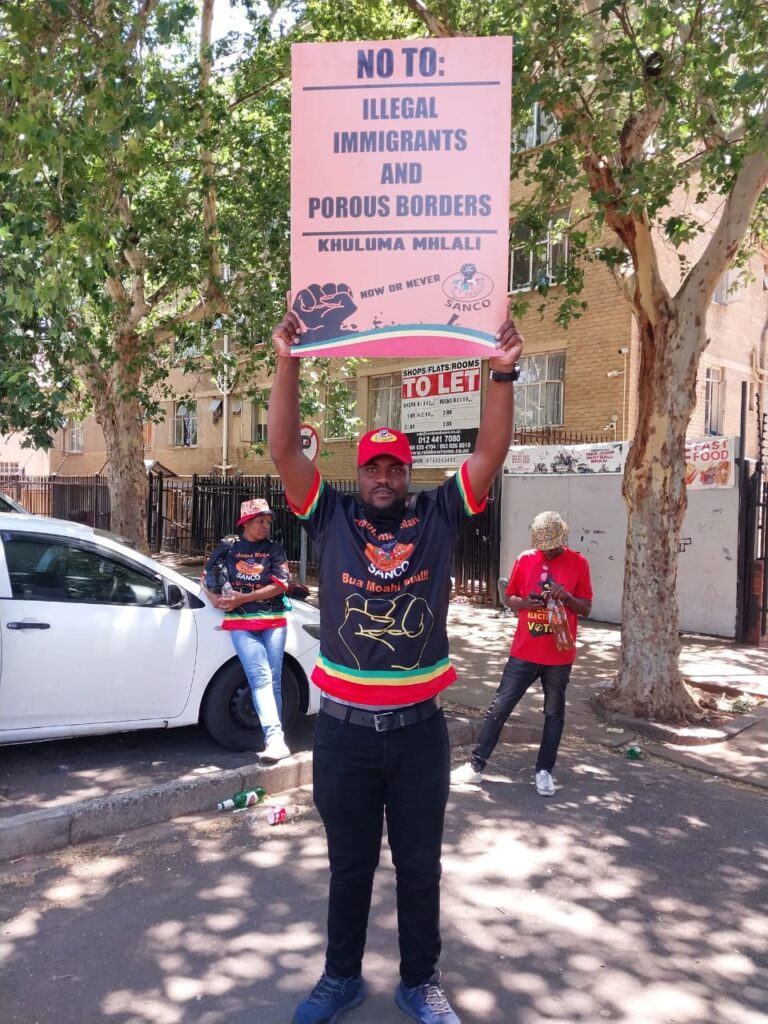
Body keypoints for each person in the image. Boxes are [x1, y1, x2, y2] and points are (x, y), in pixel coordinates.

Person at [269, 307, 523, 1024]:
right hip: (344, 737)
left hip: (418, 737)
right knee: (349, 867)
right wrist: (287, 357)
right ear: (361, 472)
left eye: (395, 466)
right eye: (373, 464)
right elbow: (285, 447)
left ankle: (421, 980)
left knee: (420, 869)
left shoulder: (440, 515)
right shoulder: (331, 516)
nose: (383, 475)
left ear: (408, 474)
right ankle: (340, 978)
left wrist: (499, 370)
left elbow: (491, 452)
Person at [451, 510, 592, 796]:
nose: (547, 551)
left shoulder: (579, 563)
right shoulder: (526, 559)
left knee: (554, 714)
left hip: (559, 656)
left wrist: (567, 598)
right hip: (524, 651)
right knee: (499, 708)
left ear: (561, 540)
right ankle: (476, 766)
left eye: (551, 546)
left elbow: (586, 608)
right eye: (543, 546)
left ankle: (544, 771)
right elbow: (509, 597)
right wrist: (524, 604)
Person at [202, 498, 291, 762]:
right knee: (260, 677)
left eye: (267, 521)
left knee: (273, 680)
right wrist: (212, 597)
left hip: (273, 618)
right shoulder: (229, 549)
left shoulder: (275, 550)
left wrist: (241, 598)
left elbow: (281, 585)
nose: (265, 526)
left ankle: (274, 737)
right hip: (241, 622)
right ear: (246, 523)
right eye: (260, 521)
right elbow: (206, 576)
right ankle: (275, 739)